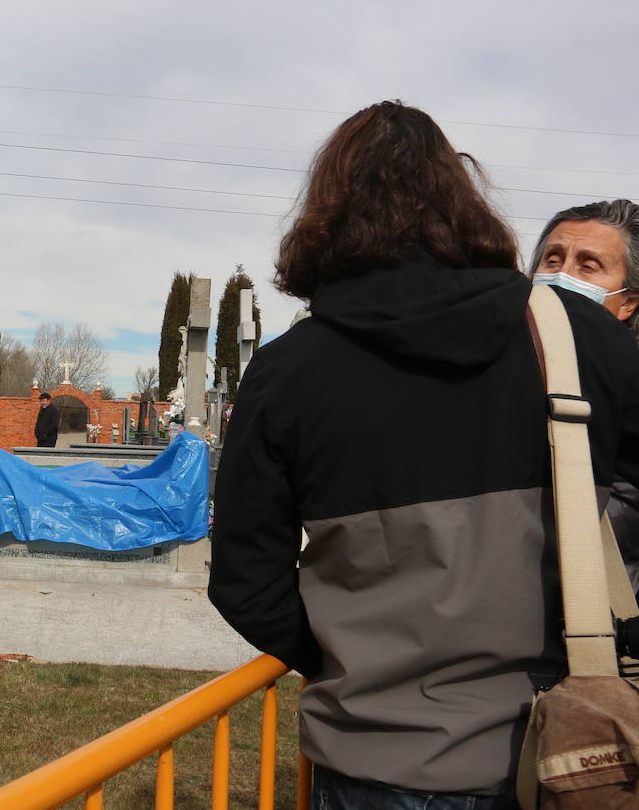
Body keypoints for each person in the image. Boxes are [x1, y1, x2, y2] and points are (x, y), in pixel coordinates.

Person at [207, 100, 639, 807]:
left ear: (325, 215)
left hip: (378, 760)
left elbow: (244, 581)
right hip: (574, 743)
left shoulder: (289, 372)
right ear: (464, 203)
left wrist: (352, 657)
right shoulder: (583, 338)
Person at [529, 198, 639, 593]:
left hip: (597, 608)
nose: (561, 276)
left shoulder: (627, 388)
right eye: (553, 260)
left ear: (628, 302)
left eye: (587, 266)